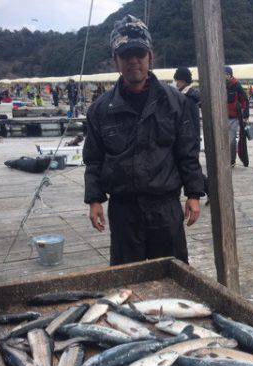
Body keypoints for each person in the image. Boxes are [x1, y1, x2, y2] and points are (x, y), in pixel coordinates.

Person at [83, 14, 204, 266]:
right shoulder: (99, 110)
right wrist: (94, 199)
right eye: (125, 55)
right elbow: (94, 159)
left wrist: (194, 193)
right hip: (123, 209)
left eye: (139, 53)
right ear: (116, 61)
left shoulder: (177, 103)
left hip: (165, 206)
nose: (133, 61)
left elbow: (187, 152)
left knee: (173, 275)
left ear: (151, 56)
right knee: (127, 280)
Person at [225, 66, 249, 167]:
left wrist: (245, 115)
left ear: (229, 75)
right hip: (222, 117)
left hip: (233, 118)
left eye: (225, 74)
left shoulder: (236, 85)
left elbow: (245, 100)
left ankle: (231, 160)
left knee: (231, 140)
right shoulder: (219, 85)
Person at [173, 67, 201, 154]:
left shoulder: (188, 98)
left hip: (188, 142)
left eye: (177, 80)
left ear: (183, 81)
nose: (176, 83)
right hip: (189, 141)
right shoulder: (188, 95)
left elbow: (189, 122)